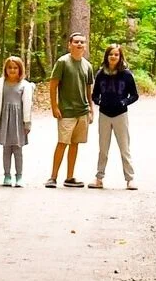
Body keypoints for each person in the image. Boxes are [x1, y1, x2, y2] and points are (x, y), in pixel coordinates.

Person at [45, 32, 95, 188]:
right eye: (76, 42)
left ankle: (70, 177)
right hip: (66, 111)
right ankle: (53, 177)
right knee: (62, 143)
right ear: (70, 44)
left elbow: (88, 89)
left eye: (82, 42)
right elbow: (53, 85)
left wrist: (91, 109)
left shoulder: (87, 65)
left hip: (82, 111)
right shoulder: (63, 62)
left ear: (85, 46)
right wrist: (54, 106)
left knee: (75, 144)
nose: (79, 44)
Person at [90, 42, 139, 190]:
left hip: (120, 115)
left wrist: (124, 102)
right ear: (107, 56)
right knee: (103, 149)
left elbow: (135, 95)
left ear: (120, 56)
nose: (113, 57)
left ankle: (130, 179)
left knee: (124, 148)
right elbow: (94, 95)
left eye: (116, 54)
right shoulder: (100, 74)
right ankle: (99, 178)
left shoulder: (126, 74)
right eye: (111, 54)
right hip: (104, 115)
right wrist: (100, 102)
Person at [0, 55, 34, 186]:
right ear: (5, 69)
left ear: (20, 70)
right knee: (6, 149)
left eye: (15, 68)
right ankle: (7, 175)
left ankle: (19, 176)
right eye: (10, 67)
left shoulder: (24, 86)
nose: (12, 70)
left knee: (18, 149)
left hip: (18, 120)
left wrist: (27, 123)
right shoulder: (0, 84)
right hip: (5, 120)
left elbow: (27, 106)